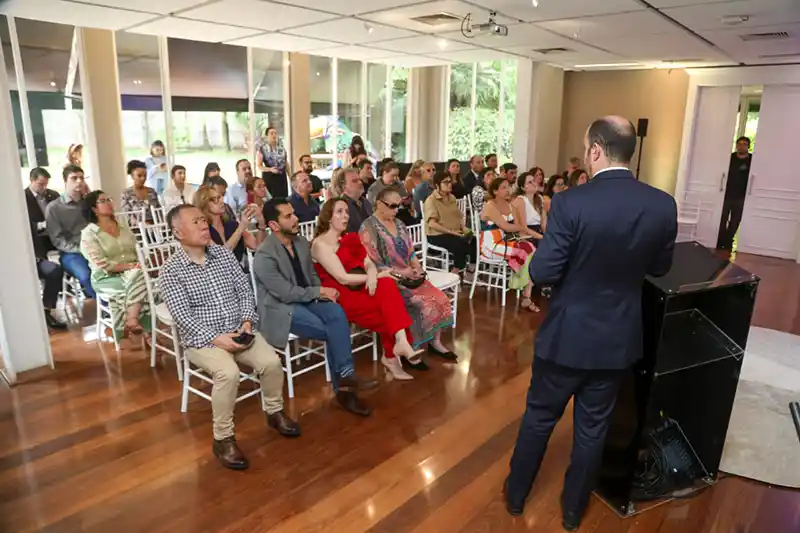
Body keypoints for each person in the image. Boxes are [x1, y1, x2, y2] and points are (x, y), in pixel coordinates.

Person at [504, 117, 677, 529]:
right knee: (592, 430)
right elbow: (661, 265)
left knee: (539, 419)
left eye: (586, 148)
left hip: (566, 336)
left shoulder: (571, 202)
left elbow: (543, 270)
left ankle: (515, 496)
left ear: (596, 150)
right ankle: (571, 512)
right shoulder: (661, 204)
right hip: (616, 339)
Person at [160, 204, 298, 471]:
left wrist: (247, 321)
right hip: (202, 340)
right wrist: (217, 338)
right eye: (195, 222)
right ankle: (223, 439)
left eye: (203, 219)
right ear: (178, 232)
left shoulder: (223, 255)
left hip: (239, 329)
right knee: (228, 373)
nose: (203, 225)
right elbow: (182, 317)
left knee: (271, 363)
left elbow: (245, 291)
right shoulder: (172, 270)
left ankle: (274, 412)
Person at [253, 199, 379, 415]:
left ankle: (346, 377)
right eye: (288, 216)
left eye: (294, 214)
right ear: (274, 225)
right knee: (333, 330)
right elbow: (285, 293)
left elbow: (311, 276)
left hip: (309, 298)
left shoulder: (301, 242)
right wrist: (318, 292)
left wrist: (321, 292)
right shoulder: (264, 254)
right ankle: (345, 390)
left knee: (337, 313)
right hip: (282, 308)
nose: (295, 219)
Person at [312, 198, 421, 380]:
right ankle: (391, 356)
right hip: (342, 294)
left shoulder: (350, 238)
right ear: (328, 217)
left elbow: (368, 262)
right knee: (389, 308)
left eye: (347, 212)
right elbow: (342, 278)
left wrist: (373, 274)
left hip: (363, 285)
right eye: (339, 212)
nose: (345, 216)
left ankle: (400, 343)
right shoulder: (320, 245)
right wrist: (377, 276)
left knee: (387, 287)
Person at [360, 186, 456, 360]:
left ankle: (435, 342)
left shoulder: (399, 224)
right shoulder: (368, 228)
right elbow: (373, 262)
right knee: (423, 304)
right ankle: (412, 348)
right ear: (379, 204)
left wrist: (416, 266)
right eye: (392, 206)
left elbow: (411, 251)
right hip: (389, 279)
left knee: (441, 298)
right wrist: (402, 272)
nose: (397, 210)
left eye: (399, 206)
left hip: (410, 276)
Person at [80, 190, 150, 339]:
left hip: (134, 273)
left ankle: (134, 322)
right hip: (106, 278)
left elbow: (138, 251)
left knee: (153, 284)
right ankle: (140, 327)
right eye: (103, 201)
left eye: (109, 199)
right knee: (144, 283)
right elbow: (101, 263)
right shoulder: (89, 233)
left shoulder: (124, 228)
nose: (109, 203)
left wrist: (142, 263)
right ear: (94, 209)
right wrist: (131, 267)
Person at [480, 178, 538, 312]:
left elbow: (518, 224)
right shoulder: (490, 205)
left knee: (531, 247)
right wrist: (525, 229)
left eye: (509, 187)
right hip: (491, 245)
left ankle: (524, 289)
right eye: (503, 187)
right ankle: (524, 292)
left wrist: (524, 229)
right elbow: (506, 226)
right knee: (523, 252)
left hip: (505, 240)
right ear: (495, 191)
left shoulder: (509, 204)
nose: (508, 190)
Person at [25, 167, 67, 330]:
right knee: (51, 269)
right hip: (36, 240)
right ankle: (44, 309)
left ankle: (49, 305)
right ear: (32, 181)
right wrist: (41, 225)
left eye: (46, 184)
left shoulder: (53, 195)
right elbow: (26, 224)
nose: (44, 188)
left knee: (61, 264)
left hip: (54, 236)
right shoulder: (23, 198)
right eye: (40, 184)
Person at [46, 165, 95, 299]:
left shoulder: (88, 204)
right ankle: (106, 307)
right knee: (86, 276)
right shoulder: (54, 208)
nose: (79, 181)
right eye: (74, 178)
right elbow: (58, 240)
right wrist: (79, 249)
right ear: (65, 181)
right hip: (72, 252)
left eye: (81, 178)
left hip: (94, 247)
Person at [194, 185, 263, 264]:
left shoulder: (232, 225)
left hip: (239, 272)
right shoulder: (203, 230)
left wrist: (261, 223)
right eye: (215, 199)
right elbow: (221, 256)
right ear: (204, 204)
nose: (221, 201)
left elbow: (257, 246)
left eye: (220, 197)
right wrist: (241, 227)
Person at [423, 172, 473, 275]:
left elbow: (459, 217)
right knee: (460, 243)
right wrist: (452, 232)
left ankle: (470, 272)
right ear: (437, 185)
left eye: (450, 182)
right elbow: (432, 224)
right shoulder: (431, 200)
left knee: (474, 240)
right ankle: (454, 273)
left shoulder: (452, 198)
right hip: (436, 235)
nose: (449, 184)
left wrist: (464, 228)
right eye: (446, 182)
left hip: (454, 232)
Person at [717, 136, 752, 250]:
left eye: (744, 144)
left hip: (741, 196)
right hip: (726, 194)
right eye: (739, 144)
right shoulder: (730, 158)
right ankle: (720, 240)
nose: (741, 146)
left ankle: (728, 240)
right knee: (722, 218)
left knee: (735, 220)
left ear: (748, 146)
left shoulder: (751, 160)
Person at [120, 160, 161, 225]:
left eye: (145, 175)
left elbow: (159, 212)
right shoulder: (127, 194)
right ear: (132, 176)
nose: (143, 178)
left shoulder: (152, 192)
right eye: (139, 176)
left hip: (156, 229)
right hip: (138, 231)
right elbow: (127, 217)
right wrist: (142, 224)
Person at [256, 126, 288, 198]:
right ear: (267, 136)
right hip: (269, 177)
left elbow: (286, 163)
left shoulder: (282, 148)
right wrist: (270, 169)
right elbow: (259, 166)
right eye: (271, 133)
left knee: (283, 199)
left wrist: (291, 175)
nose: (274, 135)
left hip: (281, 177)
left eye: (275, 133)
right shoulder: (262, 149)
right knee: (271, 199)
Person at [512, 172, 546, 238]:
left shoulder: (540, 198)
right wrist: (541, 237)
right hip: (527, 236)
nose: (534, 183)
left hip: (538, 233)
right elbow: (523, 228)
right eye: (530, 182)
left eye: (534, 180)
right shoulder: (520, 200)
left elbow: (543, 224)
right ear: (523, 188)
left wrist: (548, 236)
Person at [340, 168, 372, 234]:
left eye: (359, 180)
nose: (360, 182)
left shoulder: (365, 202)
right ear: (344, 187)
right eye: (354, 181)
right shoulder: (341, 206)